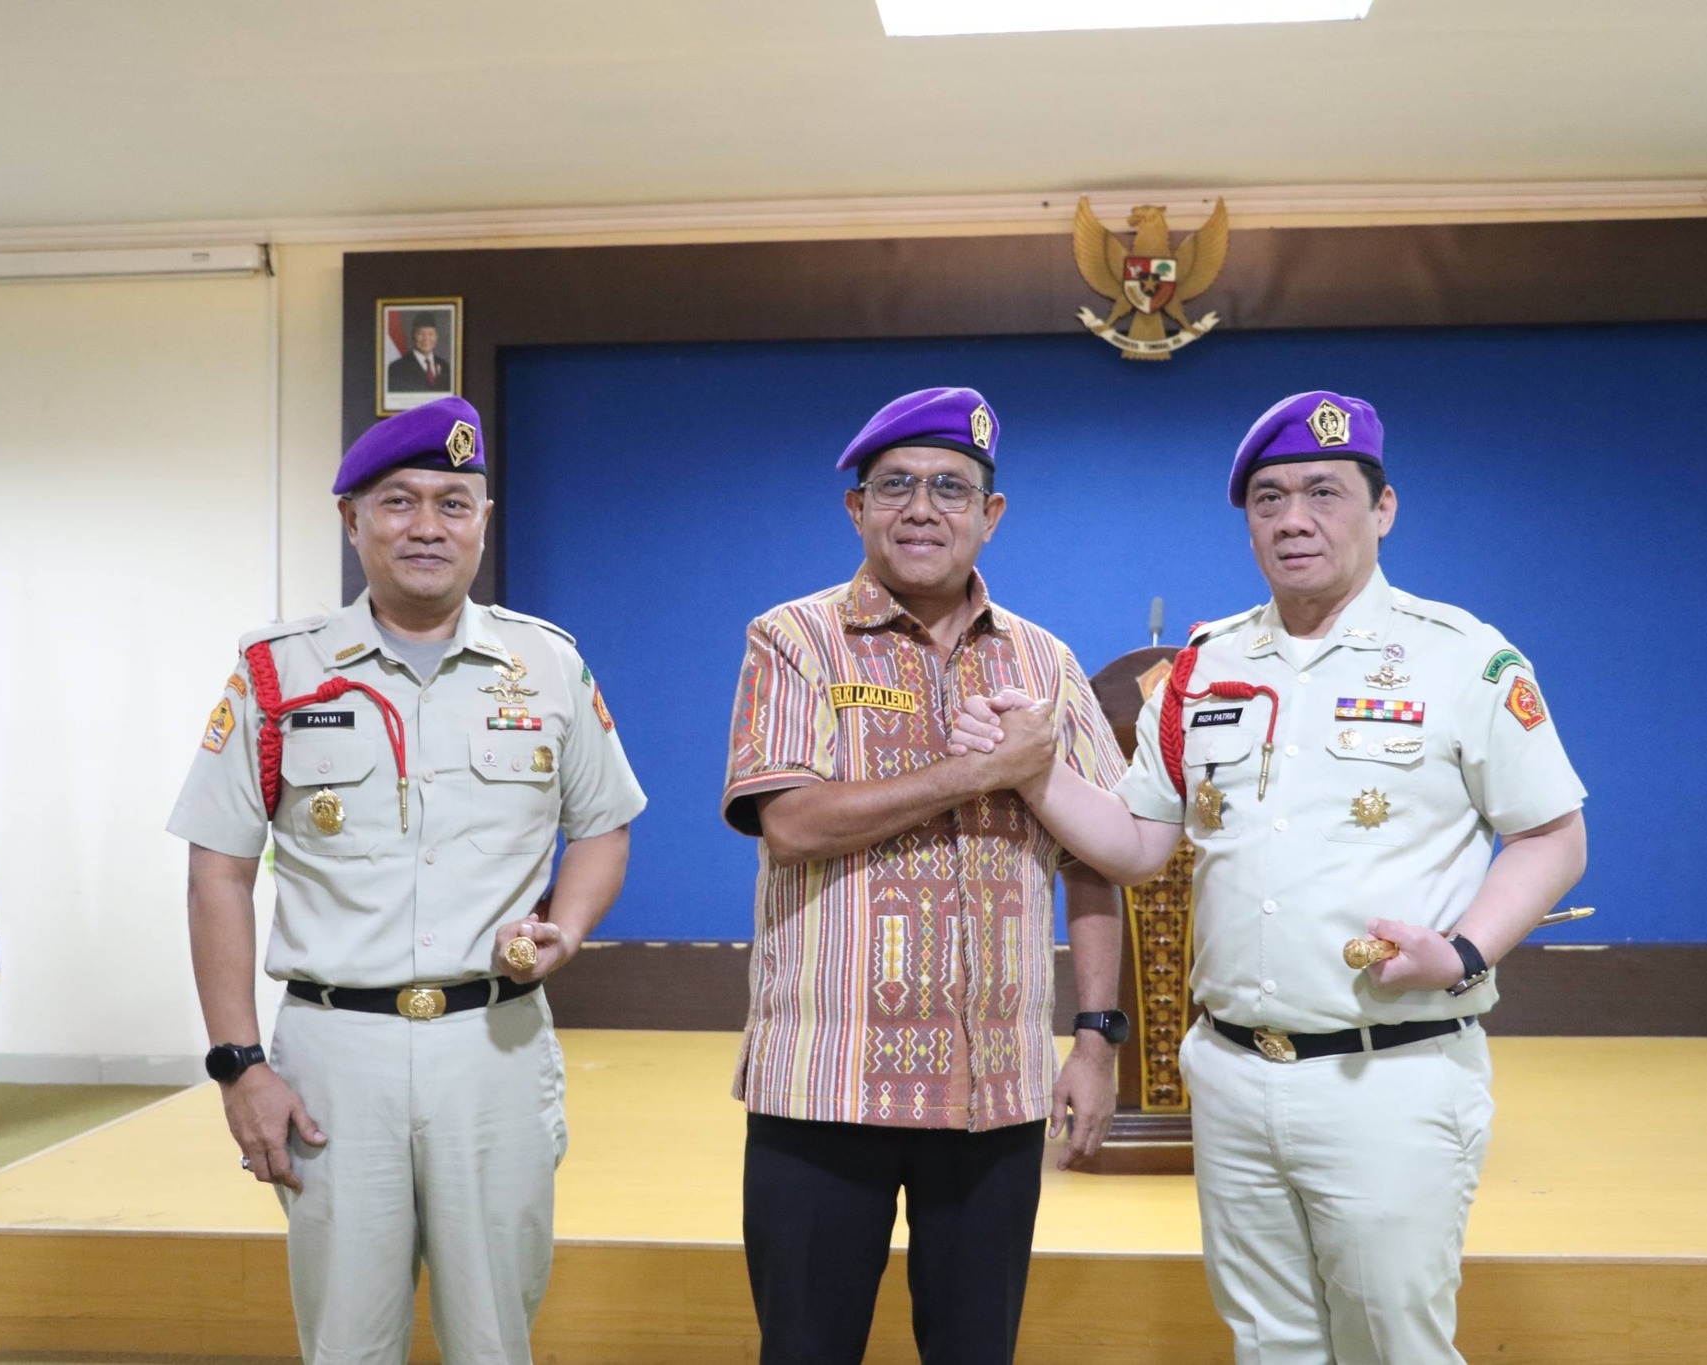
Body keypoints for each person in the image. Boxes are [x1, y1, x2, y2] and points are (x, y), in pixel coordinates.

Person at [949, 390, 1588, 1365]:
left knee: (1393, 1346)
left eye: (1324, 493)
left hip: (1389, 1071)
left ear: (1383, 508)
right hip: (1232, 1072)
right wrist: (1032, 771)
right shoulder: (1204, 667)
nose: (1293, 519)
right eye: (1269, 498)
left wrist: (1464, 951)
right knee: (1269, 1344)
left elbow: (1551, 835)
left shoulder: (1462, 659)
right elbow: (1135, 843)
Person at [170, 394, 645, 1365]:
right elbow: (217, 871)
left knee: (494, 1339)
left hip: (494, 1048)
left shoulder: (547, 664)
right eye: (398, 501)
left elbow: (603, 825)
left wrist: (566, 925)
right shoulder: (277, 673)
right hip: (334, 1060)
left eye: (452, 503)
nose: (428, 525)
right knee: (348, 1344)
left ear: (483, 522)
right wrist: (238, 1064)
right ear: (351, 520)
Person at [721, 387, 1133, 1365]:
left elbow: (1097, 856)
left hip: (996, 1092)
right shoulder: (793, 640)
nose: (920, 508)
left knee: (976, 1350)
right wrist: (977, 773)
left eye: (950, 488)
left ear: (990, 515)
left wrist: (1095, 1037)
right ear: (855, 508)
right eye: (894, 486)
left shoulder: (1044, 662)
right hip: (821, 1087)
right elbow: (789, 822)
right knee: (805, 1351)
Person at [387, 314, 452, 393]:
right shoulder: (397, 368)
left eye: (431, 334)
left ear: (436, 336)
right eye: (421, 334)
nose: (426, 338)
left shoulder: (444, 366)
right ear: (413, 335)